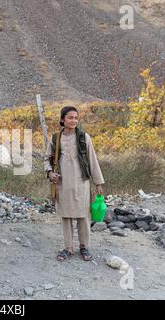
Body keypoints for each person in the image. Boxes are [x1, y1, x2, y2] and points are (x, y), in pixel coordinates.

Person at [44, 106, 104, 261]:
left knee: (83, 215)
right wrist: (50, 173)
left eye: (76, 118)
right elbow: (47, 159)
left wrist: (98, 183)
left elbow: (92, 160)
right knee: (66, 216)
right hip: (62, 183)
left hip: (81, 182)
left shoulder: (84, 138)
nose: (73, 121)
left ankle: (84, 247)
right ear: (63, 119)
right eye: (70, 118)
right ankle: (68, 248)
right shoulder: (56, 138)